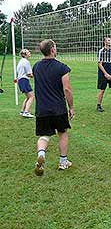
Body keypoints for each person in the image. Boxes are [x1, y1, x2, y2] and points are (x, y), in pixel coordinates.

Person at [33, 39, 74, 176]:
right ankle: (63, 162)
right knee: (62, 133)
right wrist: (71, 107)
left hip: (42, 109)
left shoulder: (36, 67)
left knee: (44, 135)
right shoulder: (62, 67)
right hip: (58, 108)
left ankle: (41, 153)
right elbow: (67, 89)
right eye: (55, 47)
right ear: (52, 50)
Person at [16, 49, 34, 118]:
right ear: (24, 55)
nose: (29, 53)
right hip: (24, 80)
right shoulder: (26, 62)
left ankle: (22, 111)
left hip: (21, 80)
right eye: (28, 52)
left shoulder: (21, 61)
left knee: (28, 97)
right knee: (32, 96)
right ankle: (26, 112)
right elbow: (29, 74)